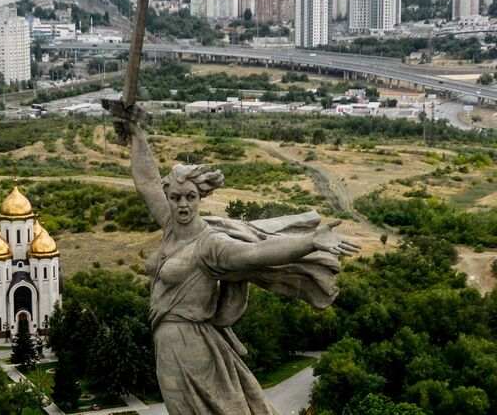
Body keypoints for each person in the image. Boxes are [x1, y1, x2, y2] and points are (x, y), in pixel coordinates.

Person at [120, 120, 360, 415]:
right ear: (169, 199)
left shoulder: (210, 244)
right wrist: (137, 133)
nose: (183, 205)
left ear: (201, 198)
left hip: (190, 345)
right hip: (168, 343)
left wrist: (310, 241)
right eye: (176, 198)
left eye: (190, 197)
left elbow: (258, 253)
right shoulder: (171, 227)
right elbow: (146, 182)